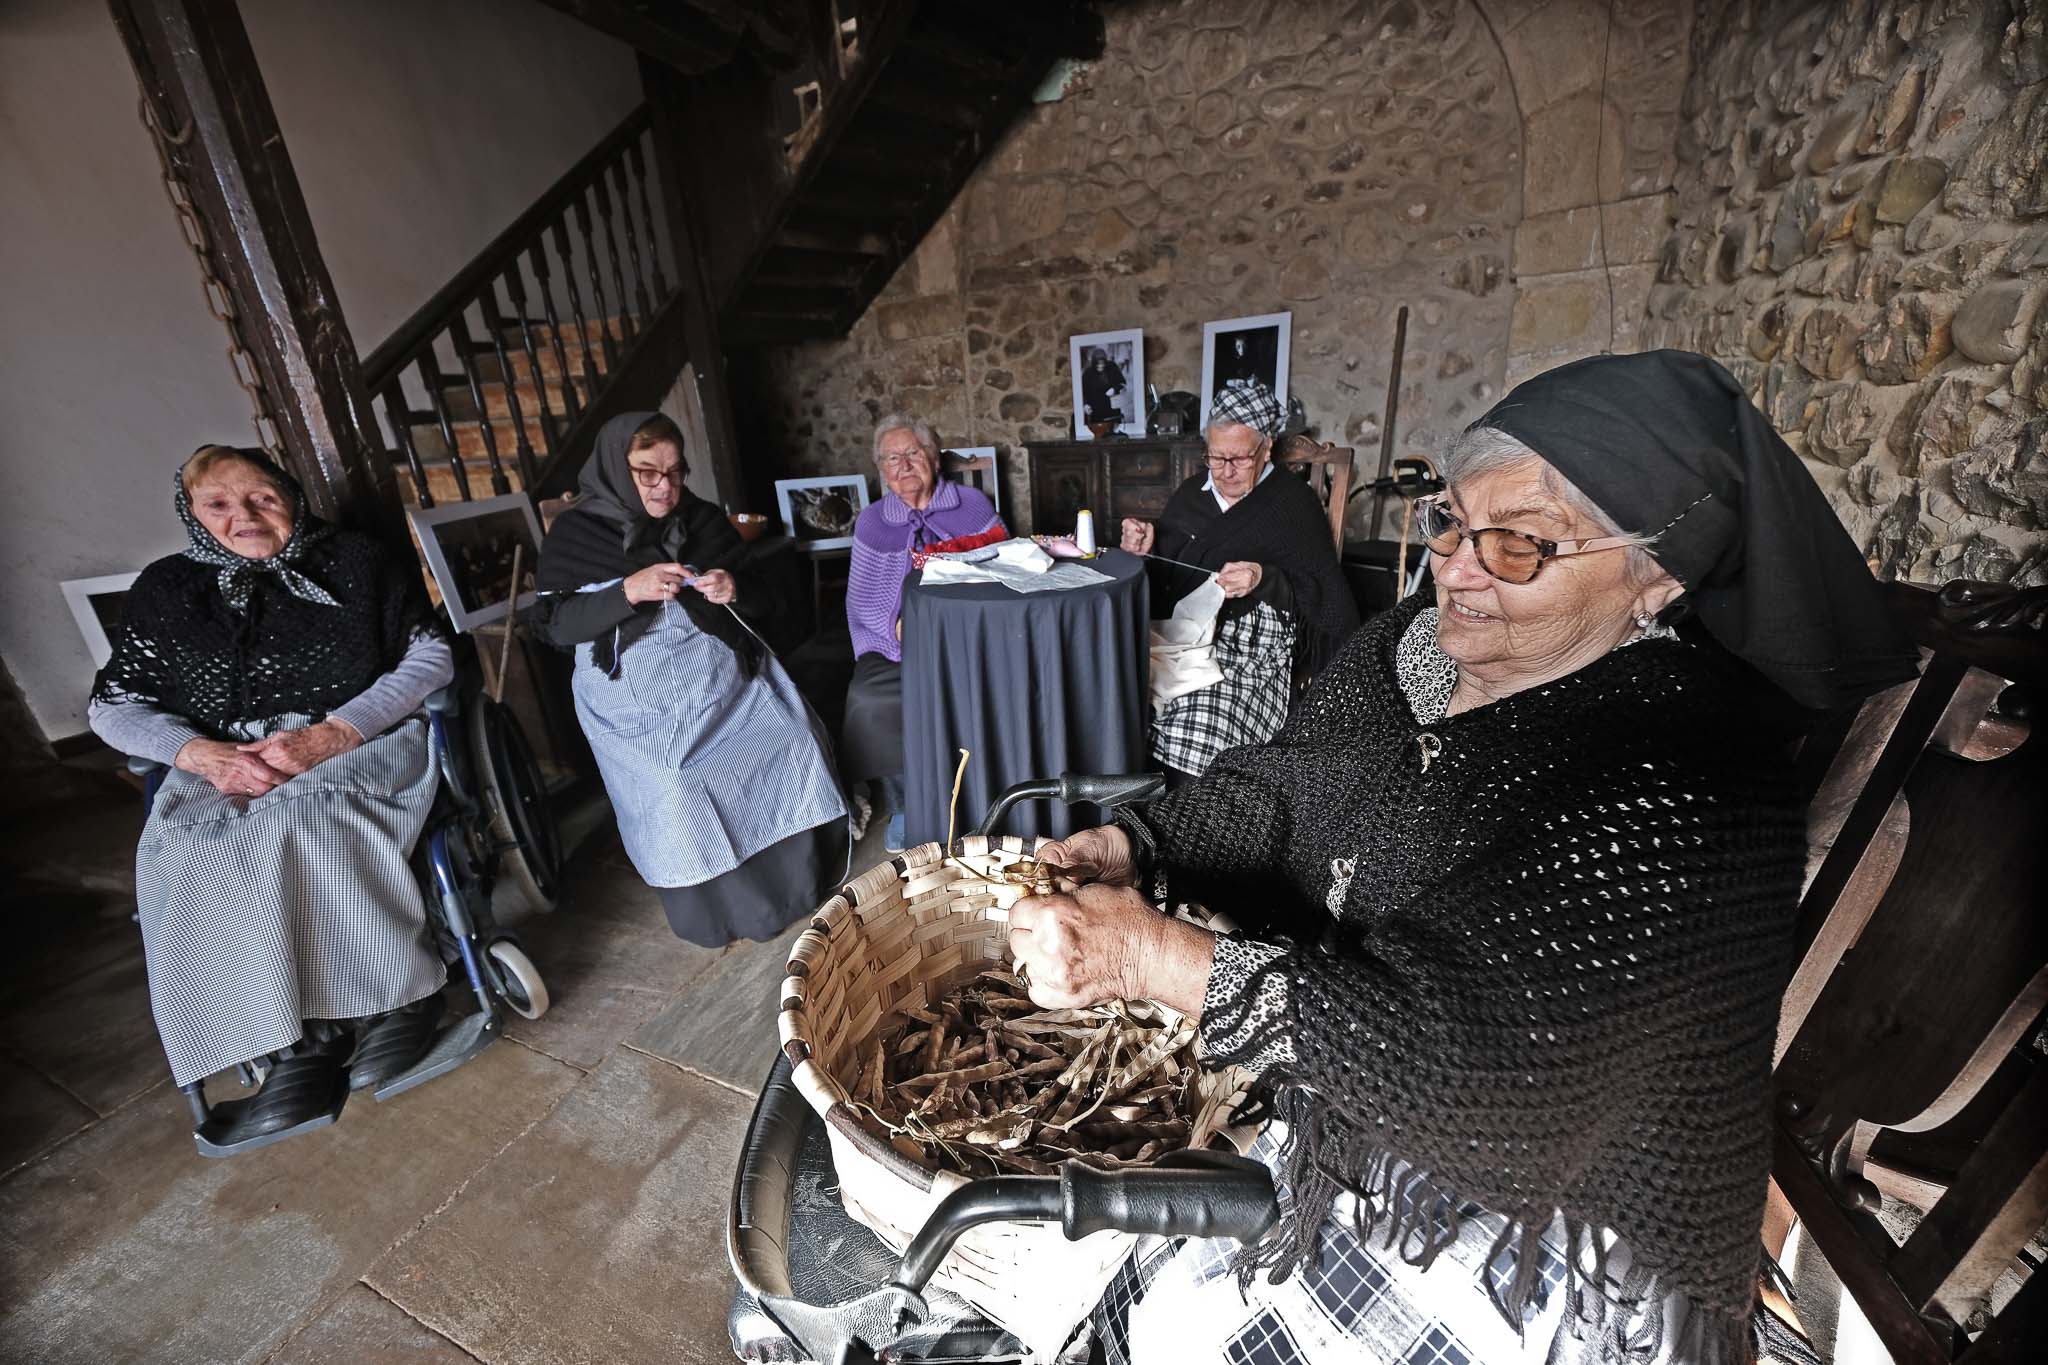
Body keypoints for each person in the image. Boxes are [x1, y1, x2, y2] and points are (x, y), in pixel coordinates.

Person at [1015, 352, 1920, 1365]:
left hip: (1547, 1224)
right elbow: (1285, 783)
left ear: (1656, 577)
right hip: (1350, 1107)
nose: (1452, 565)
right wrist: (1139, 842)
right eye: (1451, 521)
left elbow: (1485, 1084)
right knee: (1131, 1309)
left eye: (1520, 545)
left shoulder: (1685, 776)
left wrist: (1152, 960)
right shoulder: (1416, 647)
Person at [89, 446, 456, 1141]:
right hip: (221, 754)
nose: (243, 516)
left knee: (301, 823)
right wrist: (198, 753)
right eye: (218, 504)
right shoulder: (168, 588)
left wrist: (333, 733)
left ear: (289, 494)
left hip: (358, 735)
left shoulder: (355, 560)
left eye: (260, 496)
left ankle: (397, 999)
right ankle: (293, 1041)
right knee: (185, 849)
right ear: (191, 514)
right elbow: (111, 706)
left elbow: (431, 654)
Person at [535, 412, 846, 946]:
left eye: (676, 472)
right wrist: (626, 591)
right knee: (678, 784)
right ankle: (725, 915)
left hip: (722, 681)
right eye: (647, 472)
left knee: (791, 739)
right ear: (615, 467)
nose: (665, 487)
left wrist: (734, 587)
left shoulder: (700, 517)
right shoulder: (576, 533)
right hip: (635, 703)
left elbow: (770, 601)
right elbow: (555, 627)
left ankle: (797, 890)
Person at [1120, 378, 1358, 781]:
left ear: (1266, 450)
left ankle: (1193, 821)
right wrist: (1151, 543)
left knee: (1197, 727)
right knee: (1121, 696)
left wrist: (1264, 579)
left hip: (1252, 651)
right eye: (1216, 457)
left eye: (1241, 458)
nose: (1226, 471)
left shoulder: (1291, 503)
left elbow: (1321, 591)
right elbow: (1171, 577)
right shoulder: (1191, 493)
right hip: (1180, 638)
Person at [842, 413, 1004, 848]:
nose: (904, 464)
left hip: (968, 638)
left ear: (935, 456)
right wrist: (895, 626)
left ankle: (980, 798)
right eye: (892, 458)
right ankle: (904, 804)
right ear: (882, 469)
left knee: (987, 688)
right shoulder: (873, 521)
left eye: (913, 452)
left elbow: (1005, 571)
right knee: (872, 698)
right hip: (895, 646)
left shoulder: (972, 506)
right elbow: (861, 597)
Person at [1082, 346, 1128, 428]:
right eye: (1098, 364)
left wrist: (1114, 389)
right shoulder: (1088, 373)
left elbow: (1122, 384)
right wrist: (1085, 405)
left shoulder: (1112, 367)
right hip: (1096, 411)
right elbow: (1082, 392)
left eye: (1102, 363)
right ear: (1094, 363)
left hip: (1112, 409)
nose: (1101, 365)